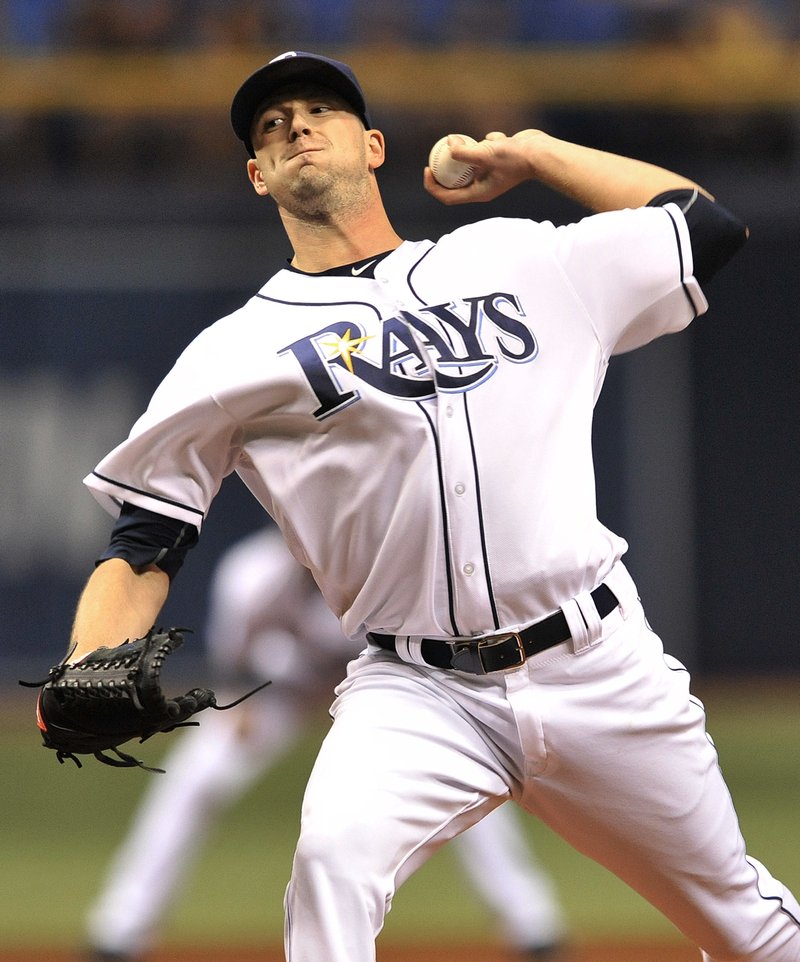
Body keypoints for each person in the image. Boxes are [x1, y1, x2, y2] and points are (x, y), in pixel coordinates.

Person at [58, 48, 798, 962]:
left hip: (598, 662)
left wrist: (533, 154)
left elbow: (701, 226)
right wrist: (91, 654)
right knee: (331, 865)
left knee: (745, 924)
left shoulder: (519, 257)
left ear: (372, 146)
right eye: (270, 125)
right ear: (258, 175)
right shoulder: (232, 353)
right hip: (419, 688)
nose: (294, 124)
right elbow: (145, 541)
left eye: (318, 110)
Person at [85, 527, 568, 961]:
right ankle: (121, 926)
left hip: (386, 690)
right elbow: (235, 665)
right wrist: (238, 707)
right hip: (281, 694)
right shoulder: (252, 571)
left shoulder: (387, 568)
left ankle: (531, 922)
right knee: (196, 777)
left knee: (460, 777)